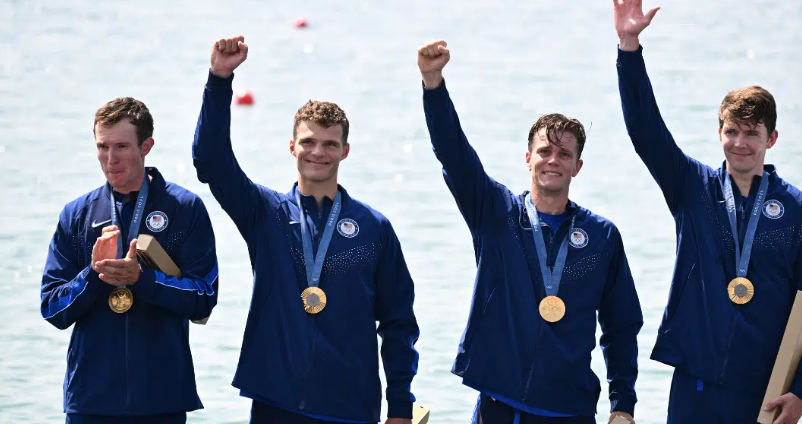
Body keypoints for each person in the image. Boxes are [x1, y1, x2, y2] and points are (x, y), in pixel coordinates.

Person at [611, 0, 802, 423]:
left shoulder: (801, 212)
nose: (740, 143)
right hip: (695, 386)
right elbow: (646, 131)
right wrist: (629, 48)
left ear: (772, 139)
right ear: (719, 132)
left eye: (752, 133)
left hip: (765, 392)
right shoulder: (692, 189)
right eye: (731, 131)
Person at [192, 35, 420, 424]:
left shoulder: (374, 228)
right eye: (309, 142)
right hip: (275, 402)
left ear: (345, 151)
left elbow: (398, 323)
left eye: (330, 144)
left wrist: (400, 406)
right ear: (292, 147)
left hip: (350, 406)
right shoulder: (264, 213)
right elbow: (210, 162)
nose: (318, 152)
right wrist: (219, 81)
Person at [417, 39, 643, 424]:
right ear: (527, 159)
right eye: (544, 152)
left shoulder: (602, 237)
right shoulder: (495, 213)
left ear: (578, 166)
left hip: (568, 408)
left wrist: (622, 406)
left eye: (564, 154)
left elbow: (620, 326)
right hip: (499, 404)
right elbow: (453, 152)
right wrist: (433, 82)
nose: (553, 161)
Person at [40, 97, 219, 424]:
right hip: (90, 401)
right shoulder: (77, 215)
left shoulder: (184, 209)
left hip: (161, 400)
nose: (110, 159)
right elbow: (51, 308)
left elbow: (204, 298)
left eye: (121, 146)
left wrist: (143, 280)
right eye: (102, 147)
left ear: (146, 146)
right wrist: (94, 277)